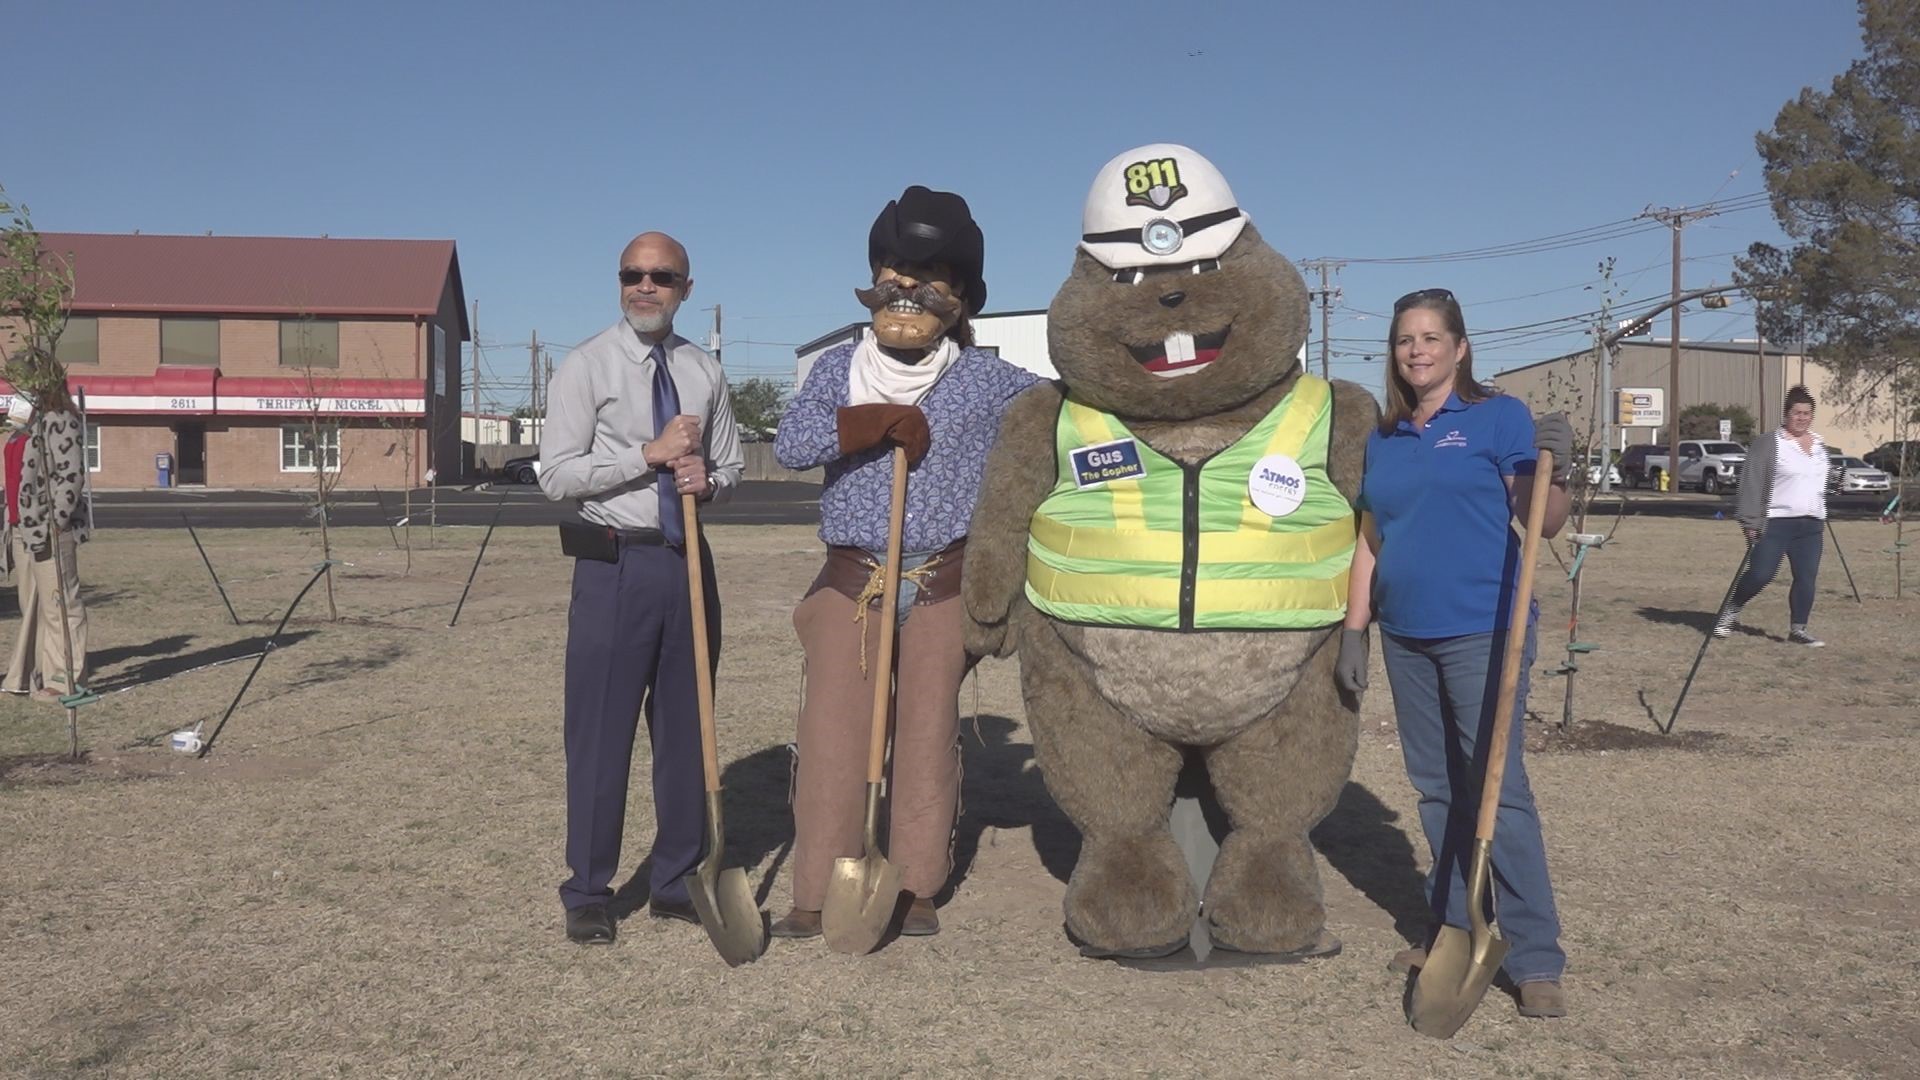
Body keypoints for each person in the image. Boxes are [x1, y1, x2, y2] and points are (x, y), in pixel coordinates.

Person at [769, 186, 1039, 940]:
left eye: (932, 273)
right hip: (853, 583)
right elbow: (792, 446)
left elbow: (1063, 410)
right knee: (832, 734)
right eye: (897, 267)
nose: (910, 287)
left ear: (962, 293)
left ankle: (917, 882)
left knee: (925, 734)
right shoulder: (835, 371)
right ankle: (818, 889)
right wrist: (868, 424)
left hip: (941, 581)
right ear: (873, 274)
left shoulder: (989, 381)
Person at [1332, 288, 1574, 1018]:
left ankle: (1535, 957)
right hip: (1407, 633)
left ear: (1460, 347)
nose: (1418, 350)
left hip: (1484, 629)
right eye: (1407, 339)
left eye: (1433, 337)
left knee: (1502, 794)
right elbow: (1372, 537)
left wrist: (1552, 470)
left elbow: (1545, 524)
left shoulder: (1497, 417)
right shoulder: (1386, 436)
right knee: (1438, 790)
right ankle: (1455, 928)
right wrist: (1355, 627)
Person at [538, 231, 745, 945]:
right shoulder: (587, 366)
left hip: (685, 562)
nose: (644, 286)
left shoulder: (704, 371)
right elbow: (557, 476)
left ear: (687, 287)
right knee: (600, 735)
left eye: (661, 276)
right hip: (613, 565)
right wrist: (646, 456)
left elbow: (730, 465)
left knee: (688, 732)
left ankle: (676, 878)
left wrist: (707, 481)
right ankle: (589, 890)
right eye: (633, 274)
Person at [1716, 386, 1832, 646]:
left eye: (1807, 413)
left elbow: (1821, 480)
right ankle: (1731, 609)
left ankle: (1798, 629)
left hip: (1811, 523)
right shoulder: (1770, 444)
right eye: (1796, 413)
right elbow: (1751, 483)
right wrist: (1750, 522)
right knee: (1760, 574)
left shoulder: (1819, 445)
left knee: (1806, 577)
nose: (1801, 418)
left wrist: (1829, 494)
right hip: (1775, 521)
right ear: (1786, 414)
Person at [3, 386, 91, 702]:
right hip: (25, 527)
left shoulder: (60, 419)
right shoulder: (28, 426)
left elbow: (70, 476)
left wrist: (56, 521)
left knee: (62, 605)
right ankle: (35, 674)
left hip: (48, 527)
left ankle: (65, 678)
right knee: (37, 607)